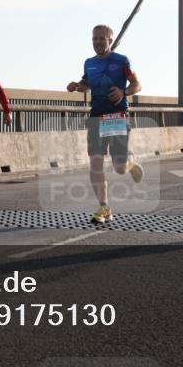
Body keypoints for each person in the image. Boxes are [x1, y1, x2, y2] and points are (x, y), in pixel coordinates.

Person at [66, 24, 144, 224]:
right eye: (94, 38)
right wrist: (76, 86)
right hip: (96, 116)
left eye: (102, 38)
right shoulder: (89, 63)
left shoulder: (121, 61)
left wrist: (124, 92)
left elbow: (138, 84)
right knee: (96, 163)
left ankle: (130, 163)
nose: (97, 42)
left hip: (117, 116)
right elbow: (87, 84)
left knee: (119, 167)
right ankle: (104, 207)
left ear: (110, 40)